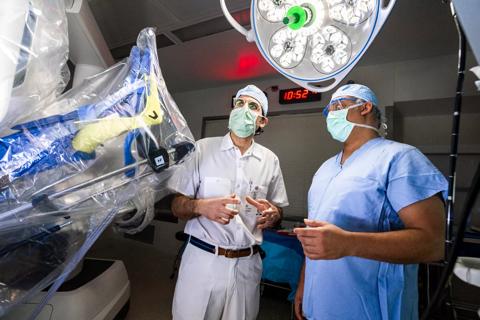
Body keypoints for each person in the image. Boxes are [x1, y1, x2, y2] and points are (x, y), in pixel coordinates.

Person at [293, 84, 448, 320]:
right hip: (320, 304)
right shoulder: (325, 169)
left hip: (369, 309)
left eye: (338, 106)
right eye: (328, 110)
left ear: (365, 107)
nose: (331, 114)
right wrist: (305, 284)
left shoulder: (400, 158)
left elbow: (434, 244)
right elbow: (316, 237)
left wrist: (349, 244)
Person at [170, 84, 289, 320]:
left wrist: (274, 215)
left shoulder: (270, 161)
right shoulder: (202, 149)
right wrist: (199, 206)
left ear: (262, 121)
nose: (244, 109)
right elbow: (175, 206)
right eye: (239, 104)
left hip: (247, 265)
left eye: (252, 106)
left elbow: (278, 212)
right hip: (202, 262)